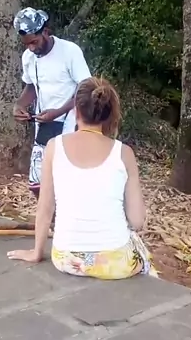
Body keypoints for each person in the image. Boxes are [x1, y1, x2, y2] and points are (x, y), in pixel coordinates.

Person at [8, 76, 155, 279]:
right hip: (115, 262)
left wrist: (36, 253)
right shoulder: (124, 153)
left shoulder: (53, 146)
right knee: (143, 255)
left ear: (76, 110)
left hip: (66, 259)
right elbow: (137, 221)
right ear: (108, 114)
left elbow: (45, 207)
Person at [13, 8, 90, 197]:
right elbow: (31, 86)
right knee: (38, 184)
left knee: (67, 183)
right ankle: (50, 214)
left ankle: (64, 215)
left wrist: (59, 111)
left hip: (71, 124)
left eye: (34, 42)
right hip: (45, 125)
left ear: (46, 32)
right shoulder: (28, 57)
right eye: (26, 44)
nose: (31, 48)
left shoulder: (69, 51)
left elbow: (87, 90)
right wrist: (19, 105)